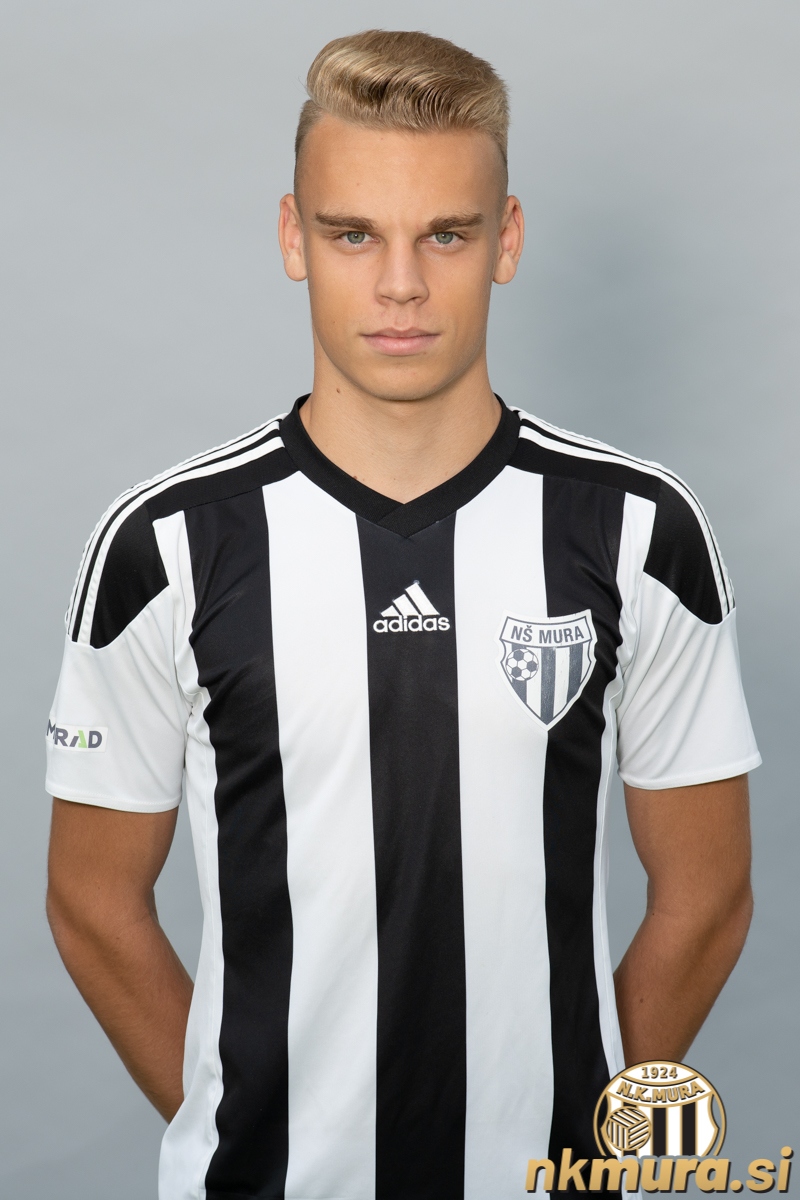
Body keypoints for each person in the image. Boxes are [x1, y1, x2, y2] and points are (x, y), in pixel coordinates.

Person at [44, 29, 760, 1200]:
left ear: (505, 241)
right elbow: (89, 899)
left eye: (444, 234)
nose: (399, 287)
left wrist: (579, 1137)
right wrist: (248, 1130)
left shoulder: (638, 531)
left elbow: (707, 896)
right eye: (352, 235)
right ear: (292, 238)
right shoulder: (164, 548)